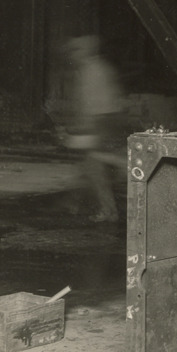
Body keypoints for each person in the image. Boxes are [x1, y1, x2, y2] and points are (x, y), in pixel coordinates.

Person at [59, 35, 125, 222]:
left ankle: (108, 210)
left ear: (85, 51)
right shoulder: (98, 68)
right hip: (103, 122)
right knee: (91, 166)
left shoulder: (91, 71)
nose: (72, 55)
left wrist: (83, 127)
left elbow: (92, 104)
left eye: (76, 50)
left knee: (95, 167)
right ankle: (80, 203)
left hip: (100, 124)